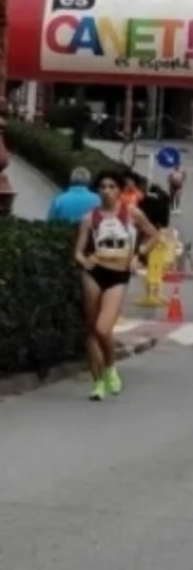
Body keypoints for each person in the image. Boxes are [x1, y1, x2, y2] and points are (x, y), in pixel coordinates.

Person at [74, 169, 157, 402]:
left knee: (103, 328)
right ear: (97, 191)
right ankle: (98, 383)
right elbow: (78, 251)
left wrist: (138, 255)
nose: (107, 191)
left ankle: (110, 369)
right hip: (94, 273)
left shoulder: (131, 213)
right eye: (103, 187)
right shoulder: (90, 218)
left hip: (118, 276)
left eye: (112, 187)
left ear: (120, 190)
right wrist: (84, 260)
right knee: (92, 331)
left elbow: (153, 235)